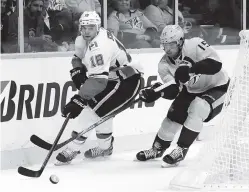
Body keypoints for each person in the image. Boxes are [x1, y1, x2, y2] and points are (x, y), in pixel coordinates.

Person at [136, 25, 229, 167]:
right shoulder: (163, 65)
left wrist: (191, 67)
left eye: (171, 44)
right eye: (164, 45)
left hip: (218, 87)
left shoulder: (195, 44)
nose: (167, 49)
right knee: (172, 117)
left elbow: (216, 64)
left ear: (180, 41)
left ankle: (181, 149)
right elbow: (174, 90)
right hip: (192, 89)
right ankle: (157, 149)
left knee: (198, 107)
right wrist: (158, 92)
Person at [55, 11, 142, 165]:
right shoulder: (81, 39)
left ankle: (73, 148)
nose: (87, 31)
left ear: (98, 27)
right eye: (84, 27)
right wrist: (77, 70)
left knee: (90, 110)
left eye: (91, 27)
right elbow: (77, 58)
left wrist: (78, 99)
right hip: (111, 78)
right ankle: (105, 148)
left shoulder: (99, 47)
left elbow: (98, 82)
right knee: (101, 111)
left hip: (127, 81)